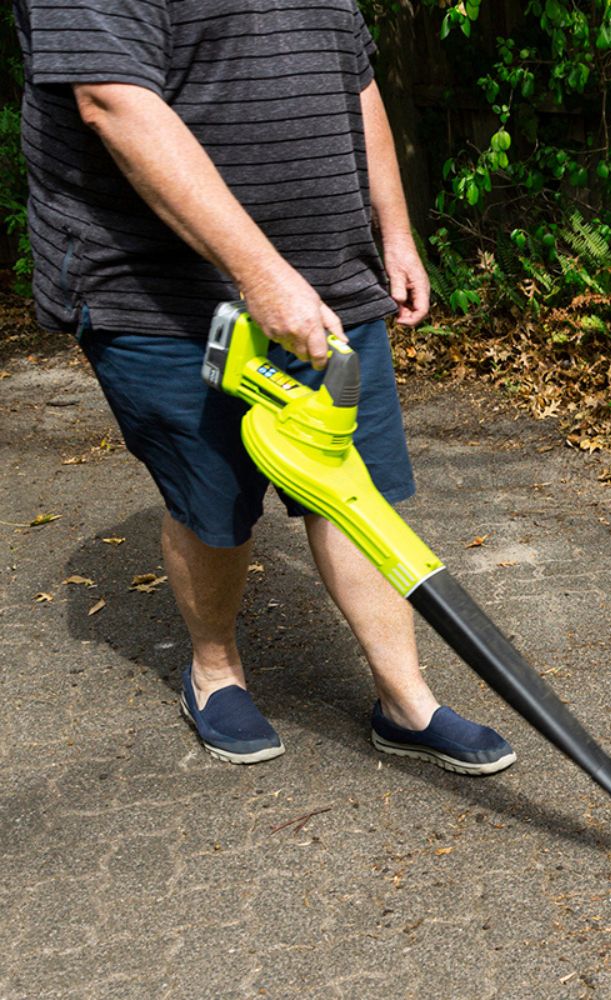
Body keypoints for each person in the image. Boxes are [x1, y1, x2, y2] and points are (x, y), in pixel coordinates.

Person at [14, 0, 516, 774]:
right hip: (162, 297)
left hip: (327, 281)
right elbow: (112, 99)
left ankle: (405, 700)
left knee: (358, 490)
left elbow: (355, 78)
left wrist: (395, 231)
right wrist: (261, 275)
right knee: (213, 504)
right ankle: (214, 670)